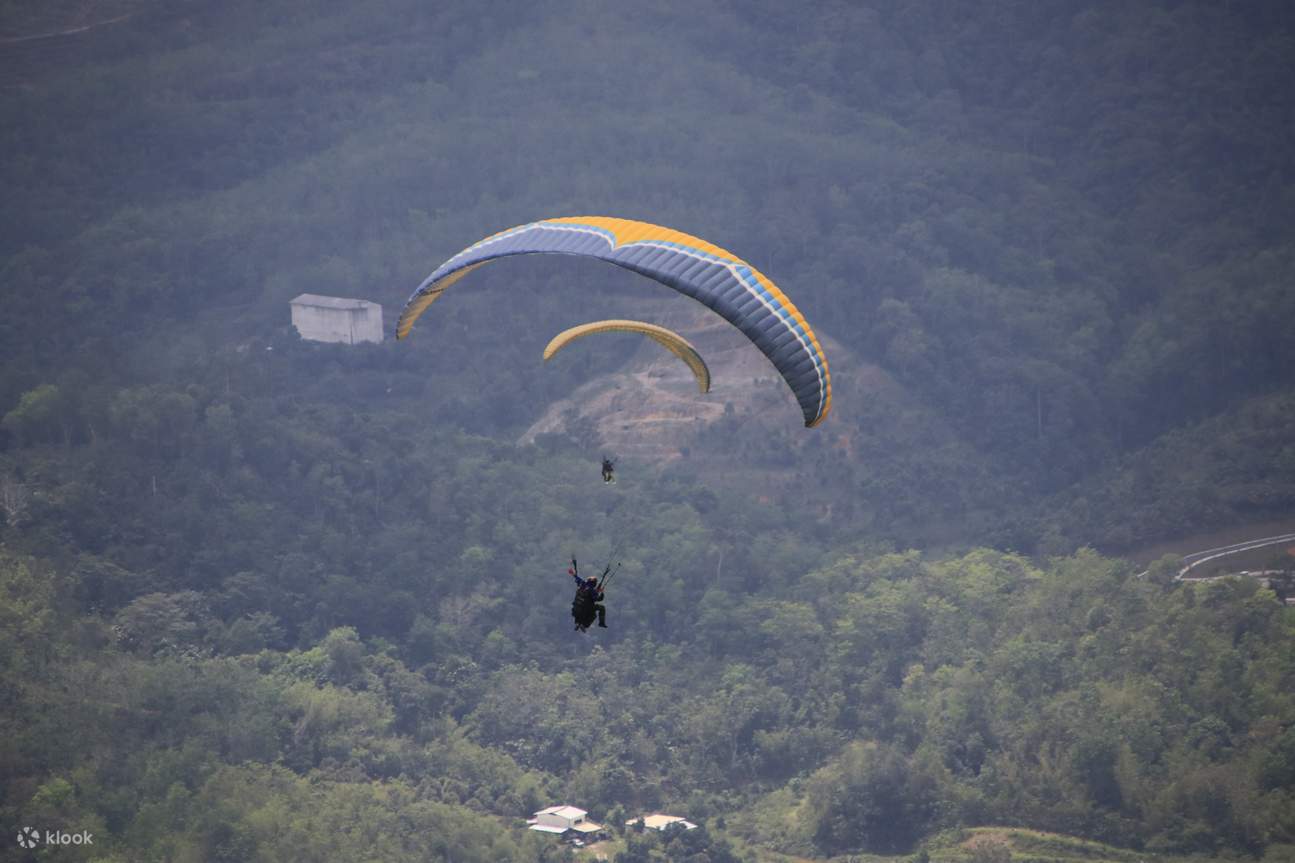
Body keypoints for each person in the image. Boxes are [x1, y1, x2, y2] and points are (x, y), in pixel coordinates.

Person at [568, 558, 607, 631]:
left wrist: (572, 573)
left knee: (581, 609)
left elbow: (576, 577)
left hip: (576, 609)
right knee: (599, 609)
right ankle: (599, 623)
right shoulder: (592, 591)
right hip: (586, 609)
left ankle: (577, 623)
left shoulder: (582, 584)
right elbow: (598, 599)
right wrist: (602, 592)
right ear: (594, 583)